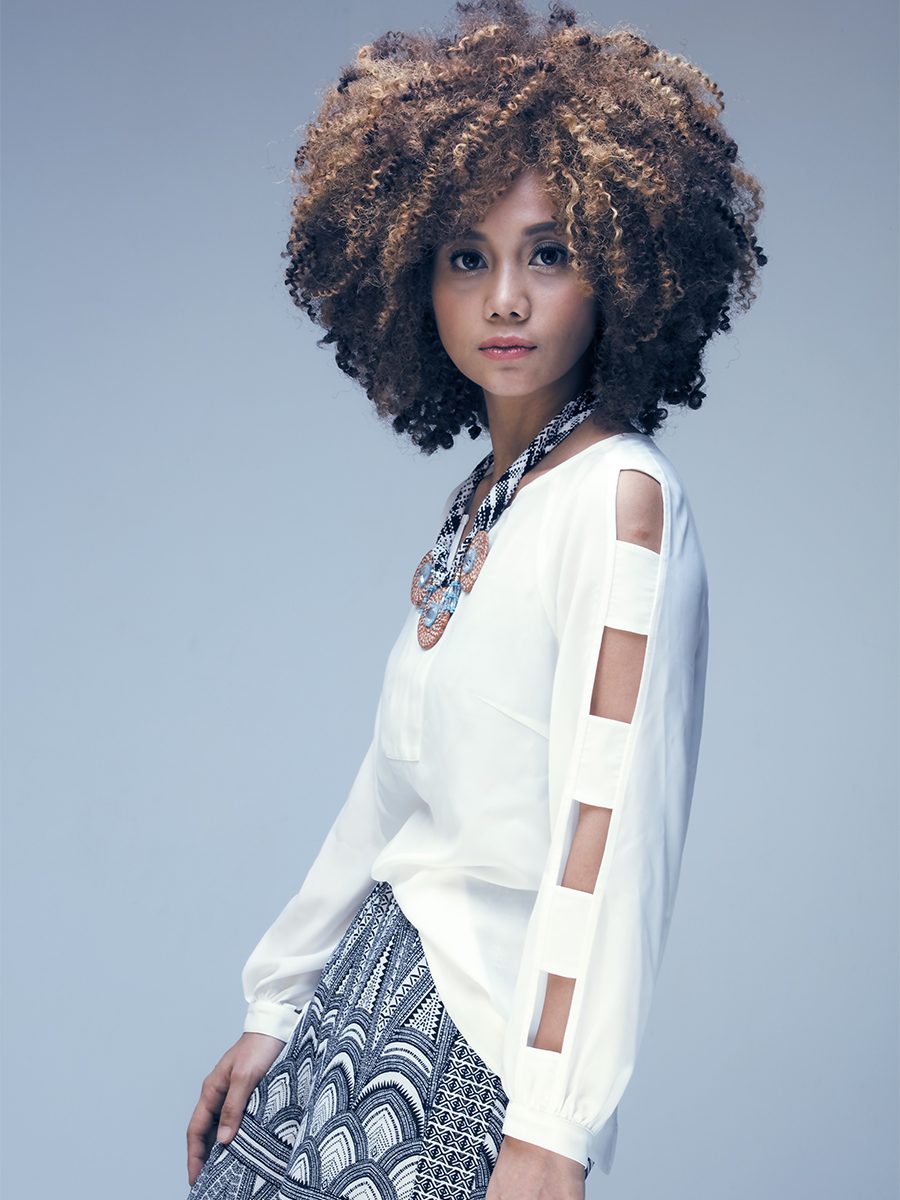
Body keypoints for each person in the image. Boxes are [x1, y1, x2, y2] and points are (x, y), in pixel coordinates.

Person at [185, 1, 767, 1197]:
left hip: (475, 1053)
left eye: (548, 253)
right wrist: (276, 999)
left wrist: (555, 1128)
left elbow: (608, 835)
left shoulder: (620, 501)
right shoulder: (489, 499)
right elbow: (392, 787)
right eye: (467, 256)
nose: (505, 298)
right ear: (412, 277)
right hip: (360, 1005)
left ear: (623, 268)